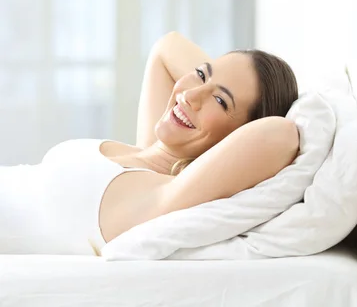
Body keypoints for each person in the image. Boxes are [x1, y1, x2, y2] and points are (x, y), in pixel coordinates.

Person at [0, 32, 299, 256]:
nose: (190, 96)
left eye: (220, 101)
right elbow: (167, 47)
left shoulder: (160, 195)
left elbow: (280, 134)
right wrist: (216, 88)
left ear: (236, 139)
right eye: (199, 74)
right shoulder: (149, 151)